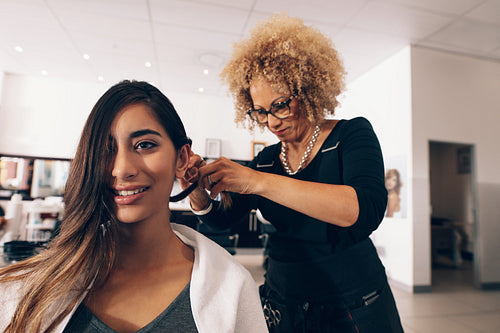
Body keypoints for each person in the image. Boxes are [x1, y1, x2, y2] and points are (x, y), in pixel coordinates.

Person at [181, 14, 403, 332]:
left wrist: (257, 181)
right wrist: (196, 190)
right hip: (285, 301)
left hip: (355, 302)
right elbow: (221, 219)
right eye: (261, 111)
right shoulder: (269, 158)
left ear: (309, 90)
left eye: (281, 105)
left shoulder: (351, 135)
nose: (271, 121)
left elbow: (363, 209)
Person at [0, 80, 268, 333]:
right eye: (106, 149)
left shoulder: (233, 287)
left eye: (145, 145)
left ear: (182, 158)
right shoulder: (22, 290)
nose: (122, 169)